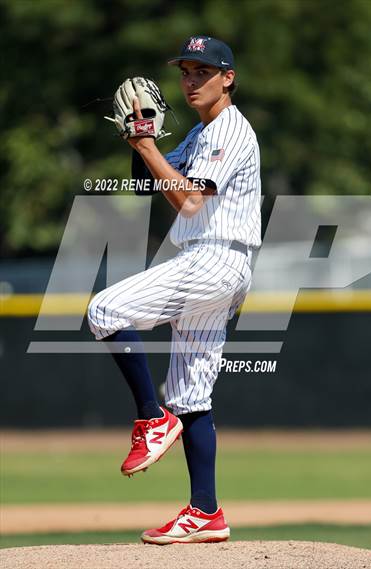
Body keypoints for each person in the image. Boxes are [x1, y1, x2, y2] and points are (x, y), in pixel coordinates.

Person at [87, 35, 261, 544]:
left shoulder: (229, 128)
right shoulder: (201, 134)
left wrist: (146, 146)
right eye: (185, 72)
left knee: (104, 310)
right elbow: (149, 186)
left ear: (227, 78)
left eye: (202, 72)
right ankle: (205, 512)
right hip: (211, 263)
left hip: (214, 257)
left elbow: (187, 201)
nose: (191, 81)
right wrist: (139, 142)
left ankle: (149, 419)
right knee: (192, 396)